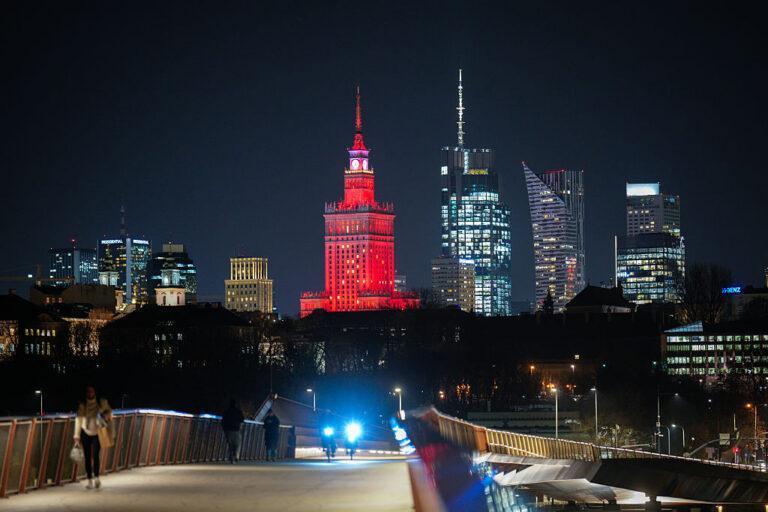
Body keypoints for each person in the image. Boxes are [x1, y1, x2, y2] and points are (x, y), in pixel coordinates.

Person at [73, 385, 112, 489]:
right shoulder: (82, 405)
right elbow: (78, 420)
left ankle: (97, 479)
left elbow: (109, 412)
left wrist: (105, 417)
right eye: (88, 392)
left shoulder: (101, 403)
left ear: (95, 392)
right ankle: (90, 480)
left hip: (97, 433)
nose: (90, 393)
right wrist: (76, 436)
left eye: (92, 391)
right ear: (86, 393)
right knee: (87, 458)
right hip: (86, 433)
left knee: (95, 456)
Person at [222, 399, 245, 464]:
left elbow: (223, 421)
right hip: (236, 430)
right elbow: (242, 421)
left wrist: (225, 429)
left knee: (230, 444)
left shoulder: (227, 412)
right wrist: (240, 427)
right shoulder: (238, 412)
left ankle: (231, 456)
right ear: (236, 404)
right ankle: (236, 455)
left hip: (228, 430)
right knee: (237, 444)